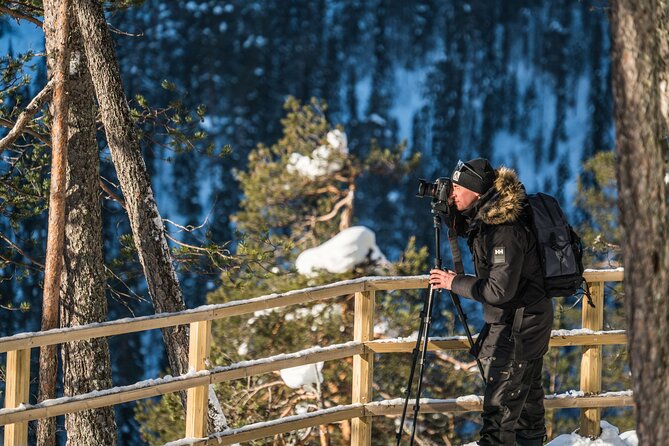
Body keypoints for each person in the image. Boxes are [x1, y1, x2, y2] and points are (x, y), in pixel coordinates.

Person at [429, 158, 553, 446]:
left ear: (476, 191)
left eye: (458, 188)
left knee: (498, 415)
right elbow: (471, 230)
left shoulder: (504, 229)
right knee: (527, 411)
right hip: (522, 320)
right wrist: (448, 212)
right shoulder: (489, 217)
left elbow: (499, 291)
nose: (453, 193)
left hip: (520, 326)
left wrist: (452, 282)